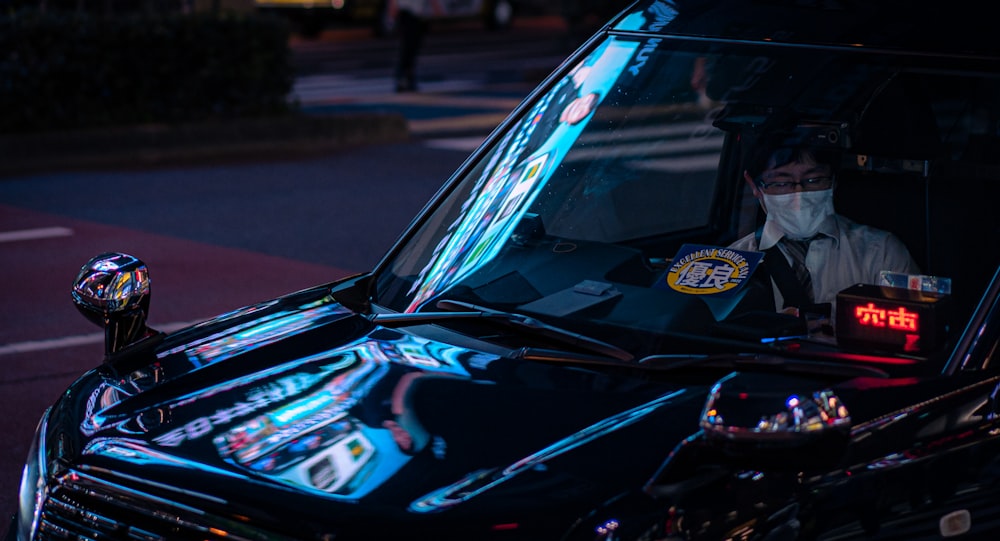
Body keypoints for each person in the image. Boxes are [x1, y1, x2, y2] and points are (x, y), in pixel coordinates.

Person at [729, 134, 921, 315]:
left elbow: (911, 329)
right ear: (755, 186)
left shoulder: (881, 252)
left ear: (834, 180)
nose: (799, 196)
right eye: (781, 183)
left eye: (814, 180)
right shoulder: (734, 262)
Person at [387, 0, 444, 92]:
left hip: (417, 15)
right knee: (408, 47)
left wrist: (435, 7)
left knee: (412, 47)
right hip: (407, 14)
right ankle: (403, 77)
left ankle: (406, 77)